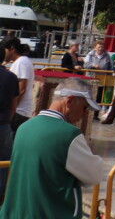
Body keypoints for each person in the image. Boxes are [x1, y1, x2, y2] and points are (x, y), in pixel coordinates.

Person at [0, 80, 105, 219]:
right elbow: (94, 175)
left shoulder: (24, 127)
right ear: (70, 101)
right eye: (85, 107)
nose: (84, 113)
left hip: (18, 212)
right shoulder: (69, 135)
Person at [3, 39, 34, 131]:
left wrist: (11, 110)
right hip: (18, 112)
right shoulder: (21, 62)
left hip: (18, 112)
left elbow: (21, 89)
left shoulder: (21, 62)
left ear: (11, 49)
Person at [0, 62, 19, 202]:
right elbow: (14, 104)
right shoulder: (11, 77)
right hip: (3, 125)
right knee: (5, 162)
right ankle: (1, 195)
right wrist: (7, 120)